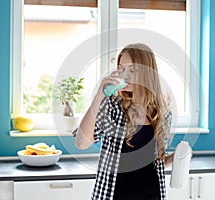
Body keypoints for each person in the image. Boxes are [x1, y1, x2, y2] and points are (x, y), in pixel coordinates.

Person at [74, 43, 174, 200]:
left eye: (132, 70)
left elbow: (154, 163)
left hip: (152, 195)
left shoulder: (161, 112)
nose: (125, 75)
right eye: (121, 69)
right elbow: (81, 143)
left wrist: (174, 159)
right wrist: (100, 95)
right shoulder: (113, 107)